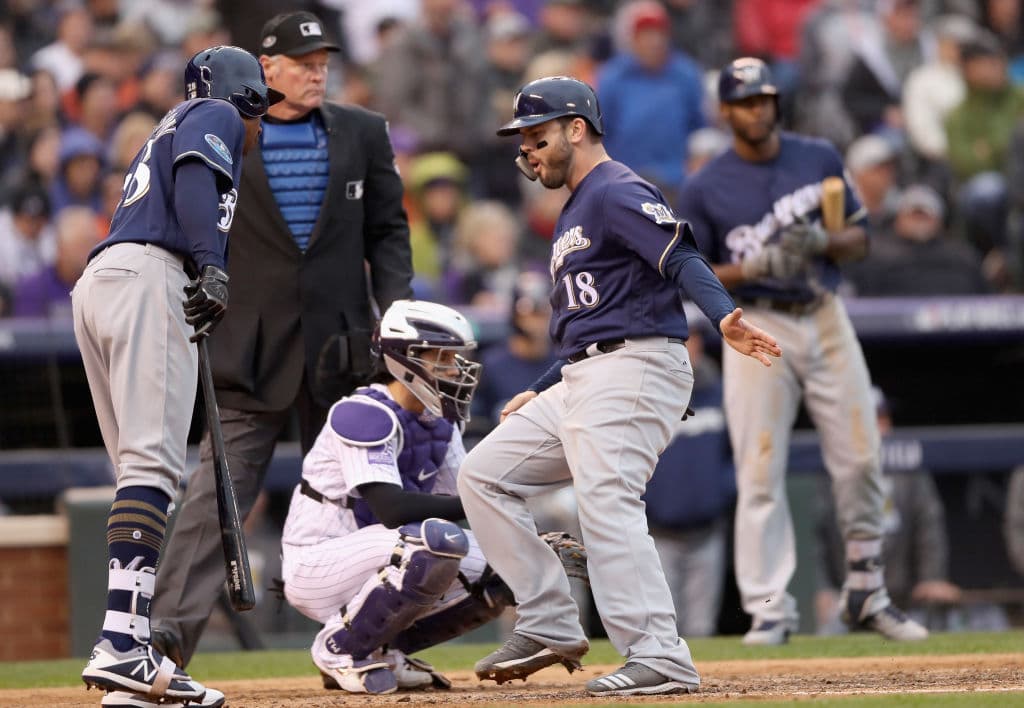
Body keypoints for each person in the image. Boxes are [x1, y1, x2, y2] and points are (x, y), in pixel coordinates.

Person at [458, 75, 782, 697]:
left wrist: (723, 316)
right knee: (484, 473)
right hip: (590, 371)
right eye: (522, 138)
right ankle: (550, 619)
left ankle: (659, 655)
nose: (526, 149)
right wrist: (548, 383)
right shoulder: (578, 206)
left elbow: (682, 256)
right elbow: (594, 323)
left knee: (606, 499)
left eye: (536, 134)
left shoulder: (614, 189)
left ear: (576, 129)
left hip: (637, 367)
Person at [148, 9, 413, 675]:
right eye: (303, 63)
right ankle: (161, 645)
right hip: (250, 348)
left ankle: (369, 641)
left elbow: (388, 230)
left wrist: (398, 307)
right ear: (267, 70)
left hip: (343, 351)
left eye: (324, 62)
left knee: (367, 504)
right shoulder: (224, 129)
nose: (318, 72)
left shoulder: (362, 132)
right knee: (216, 499)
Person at [676, 57, 928, 646]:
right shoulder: (706, 184)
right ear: (726, 109)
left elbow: (860, 238)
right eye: (743, 102)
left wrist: (824, 240)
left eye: (762, 99)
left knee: (864, 455)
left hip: (822, 310)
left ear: (775, 102)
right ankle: (770, 608)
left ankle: (866, 589)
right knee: (760, 472)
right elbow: (690, 270)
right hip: (756, 319)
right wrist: (752, 266)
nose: (755, 109)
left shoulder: (816, 157)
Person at [73, 45, 281, 708]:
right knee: (156, 469)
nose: (262, 124)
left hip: (105, 282)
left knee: (138, 471)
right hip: (149, 276)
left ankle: (128, 658)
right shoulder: (213, 111)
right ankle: (122, 645)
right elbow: (196, 178)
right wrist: (210, 265)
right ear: (245, 94)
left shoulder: (171, 122)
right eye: (262, 109)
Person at [280, 299, 582, 694]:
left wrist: (527, 542)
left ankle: (383, 650)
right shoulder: (361, 412)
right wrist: (480, 499)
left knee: (507, 566)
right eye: (442, 358)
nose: (454, 369)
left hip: (380, 553)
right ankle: (338, 648)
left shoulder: (439, 420)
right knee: (434, 542)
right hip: (318, 561)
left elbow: (468, 497)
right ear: (405, 358)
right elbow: (391, 508)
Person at [815, 387, 962, 635]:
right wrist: (824, 587)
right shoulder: (834, 469)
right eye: (873, 419)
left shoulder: (909, 468)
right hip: (848, 594)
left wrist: (932, 576)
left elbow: (928, 521)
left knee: (938, 636)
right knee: (827, 639)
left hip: (903, 595)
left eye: (884, 419)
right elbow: (819, 535)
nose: (882, 427)